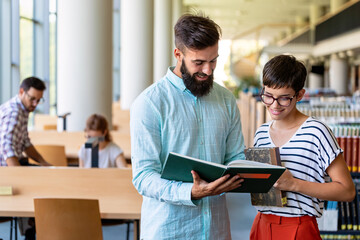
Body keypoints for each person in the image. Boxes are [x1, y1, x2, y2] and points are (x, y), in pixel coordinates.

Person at [130, 13, 246, 239]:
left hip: (216, 230)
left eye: (213, 60)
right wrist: (189, 192)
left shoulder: (226, 99)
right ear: (178, 54)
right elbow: (143, 176)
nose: (208, 70)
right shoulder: (150, 103)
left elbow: (235, 156)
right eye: (199, 62)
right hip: (168, 230)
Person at [250, 55, 355, 240]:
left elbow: (347, 191)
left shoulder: (317, 131)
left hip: (299, 227)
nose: (274, 105)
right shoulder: (261, 133)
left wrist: (294, 184)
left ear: (299, 95)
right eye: (268, 96)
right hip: (261, 224)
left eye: (284, 98)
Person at [0, 76, 51, 166]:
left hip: (17, 162)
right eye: (32, 99)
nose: (35, 104)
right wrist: (19, 175)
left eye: (38, 100)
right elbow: (6, 147)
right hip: (6, 169)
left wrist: (44, 163)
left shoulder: (24, 109)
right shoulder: (13, 112)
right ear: (21, 92)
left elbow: (25, 143)